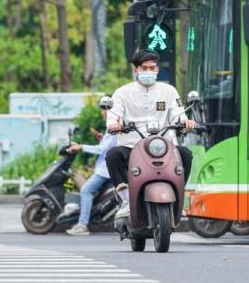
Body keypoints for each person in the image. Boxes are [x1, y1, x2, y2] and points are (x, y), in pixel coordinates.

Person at [105, 50, 195, 230]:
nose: (148, 71)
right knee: (113, 155)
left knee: (186, 154)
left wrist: (186, 122)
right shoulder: (122, 93)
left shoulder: (169, 91)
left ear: (157, 69)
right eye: (144, 68)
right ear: (136, 69)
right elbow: (112, 117)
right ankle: (125, 200)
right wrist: (113, 124)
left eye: (152, 68)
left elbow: (178, 115)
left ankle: (178, 197)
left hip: (163, 145)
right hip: (132, 145)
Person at [65, 107, 116, 236]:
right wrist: (101, 138)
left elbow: (101, 150)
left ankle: (82, 225)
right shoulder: (112, 128)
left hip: (105, 170)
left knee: (86, 190)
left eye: (106, 109)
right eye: (103, 109)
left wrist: (81, 147)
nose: (103, 112)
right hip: (105, 168)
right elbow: (107, 146)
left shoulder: (114, 129)